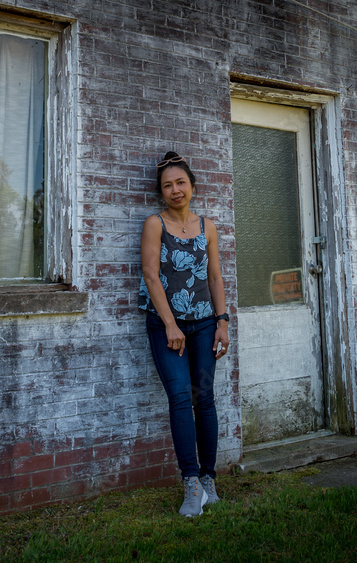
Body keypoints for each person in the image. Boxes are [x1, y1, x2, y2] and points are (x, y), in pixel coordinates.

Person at [138, 151, 230, 517]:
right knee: (180, 398)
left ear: (192, 186)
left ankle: (209, 478)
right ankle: (191, 482)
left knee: (203, 398)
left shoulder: (207, 226)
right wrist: (171, 324)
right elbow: (150, 274)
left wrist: (222, 321)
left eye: (180, 183)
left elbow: (215, 276)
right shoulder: (154, 224)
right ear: (161, 192)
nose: (175, 190)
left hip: (205, 322)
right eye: (167, 185)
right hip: (166, 327)